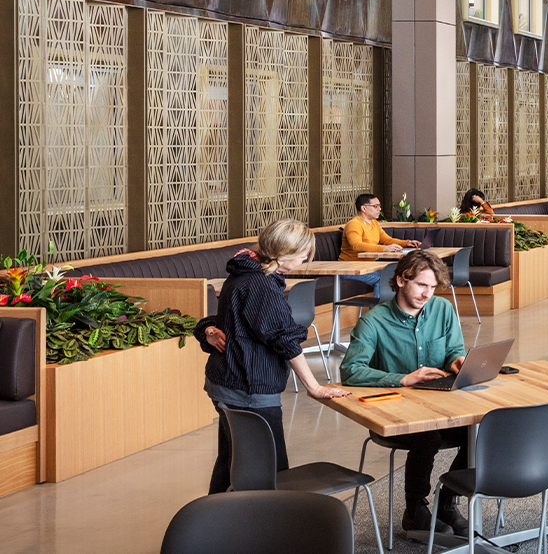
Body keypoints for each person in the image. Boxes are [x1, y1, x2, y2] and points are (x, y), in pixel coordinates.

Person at [196, 219, 351, 495]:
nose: (305, 259)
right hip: (249, 387)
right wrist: (313, 387)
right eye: (304, 254)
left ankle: (214, 524)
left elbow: (230, 319)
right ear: (284, 254)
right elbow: (284, 340)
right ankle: (271, 527)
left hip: (226, 381)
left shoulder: (243, 271)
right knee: (271, 467)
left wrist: (206, 328)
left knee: (231, 459)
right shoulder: (262, 285)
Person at [338, 249, 472, 534]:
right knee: (428, 434)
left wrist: (456, 361)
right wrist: (402, 379)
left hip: (439, 401)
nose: (427, 294)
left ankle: (447, 500)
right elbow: (350, 370)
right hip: (397, 410)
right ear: (400, 280)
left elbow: (454, 350)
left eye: (433, 287)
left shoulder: (442, 310)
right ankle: (415, 510)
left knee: (481, 428)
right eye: (422, 285)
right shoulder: (373, 322)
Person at [341, 193, 418, 294]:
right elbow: (356, 245)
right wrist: (384, 249)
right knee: (383, 279)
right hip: (351, 269)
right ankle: (378, 309)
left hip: (368, 267)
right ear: (364, 208)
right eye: (376, 206)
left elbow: (386, 240)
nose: (380, 209)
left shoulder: (374, 223)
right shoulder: (354, 224)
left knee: (399, 274)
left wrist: (407, 243)